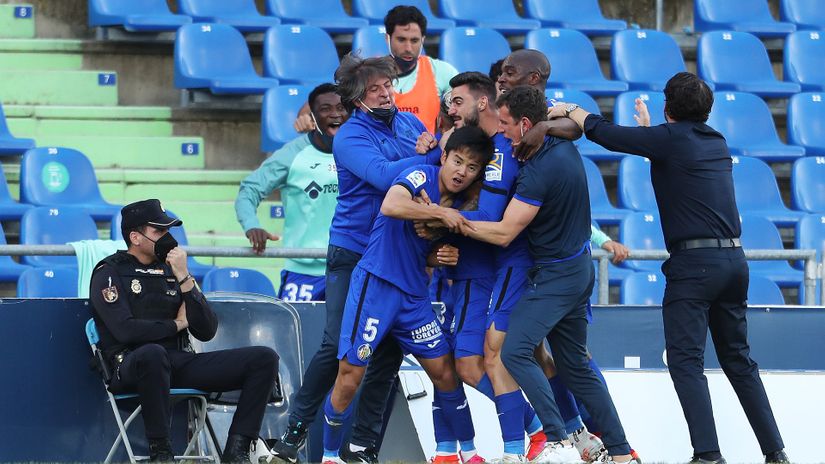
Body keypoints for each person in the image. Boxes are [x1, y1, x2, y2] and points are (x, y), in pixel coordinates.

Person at [548, 71, 788, 464]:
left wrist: (572, 109)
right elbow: (672, 156)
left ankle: (708, 455)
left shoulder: (669, 140)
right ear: (706, 111)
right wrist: (650, 136)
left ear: (667, 106)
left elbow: (602, 131)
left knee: (684, 361)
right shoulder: (715, 141)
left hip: (695, 266)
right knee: (739, 361)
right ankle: (776, 452)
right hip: (734, 262)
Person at [271, 54, 442, 464]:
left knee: (388, 353)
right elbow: (385, 176)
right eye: (374, 90)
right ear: (356, 99)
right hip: (354, 250)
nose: (385, 93)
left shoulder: (411, 124)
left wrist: (433, 154)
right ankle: (292, 436)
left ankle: (362, 448)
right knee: (337, 345)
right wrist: (432, 156)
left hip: (400, 254)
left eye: (387, 85)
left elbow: (436, 176)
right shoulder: (349, 136)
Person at [462, 86, 636, 464]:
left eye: (507, 125)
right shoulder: (562, 148)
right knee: (574, 365)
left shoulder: (539, 171)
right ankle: (621, 452)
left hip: (555, 278)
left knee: (515, 351)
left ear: (526, 124)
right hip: (577, 270)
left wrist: (452, 220)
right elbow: (569, 122)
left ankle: (556, 440)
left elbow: (505, 231)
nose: (504, 133)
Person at [321, 126, 493, 464]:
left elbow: (424, 250)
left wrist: (441, 256)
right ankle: (329, 456)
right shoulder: (419, 174)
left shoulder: (463, 205)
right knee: (350, 374)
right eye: (457, 161)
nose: (461, 171)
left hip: (414, 297)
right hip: (377, 286)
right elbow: (391, 204)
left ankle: (469, 452)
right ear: (444, 157)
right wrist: (439, 213)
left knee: (444, 370)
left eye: (471, 167)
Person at [90, 199, 279, 463]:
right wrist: (176, 325)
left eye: (169, 231)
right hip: (131, 364)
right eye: (159, 232)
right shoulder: (109, 272)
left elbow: (207, 330)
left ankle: (237, 451)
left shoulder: (173, 270)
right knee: (153, 354)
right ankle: (162, 454)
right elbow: (125, 331)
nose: (168, 238)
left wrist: (184, 278)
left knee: (264, 359)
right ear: (135, 237)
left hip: (178, 362)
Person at [235, 83, 349, 302]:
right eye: (325, 109)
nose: (335, 114)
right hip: (303, 271)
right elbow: (249, 189)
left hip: (349, 269)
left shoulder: (361, 151)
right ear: (311, 118)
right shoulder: (292, 154)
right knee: (298, 335)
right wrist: (252, 225)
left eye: (341, 108)